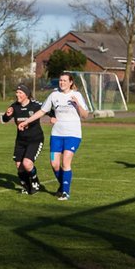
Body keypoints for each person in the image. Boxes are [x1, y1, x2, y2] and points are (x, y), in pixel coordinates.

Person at [17, 72, 91, 201]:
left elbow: (85, 115)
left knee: (65, 162)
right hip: (56, 134)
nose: (62, 83)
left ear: (71, 82)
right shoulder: (54, 95)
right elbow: (42, 111)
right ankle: (63, 186)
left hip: (73, 134)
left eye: (65, 80)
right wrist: (27, 121)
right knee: (54, 164)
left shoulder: (76, 95)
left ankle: (65, 193)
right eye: (60, 80)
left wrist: (77, 104)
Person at [2, 83, 44, 194]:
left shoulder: (35, 105)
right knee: (19, 166)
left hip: (35, 139)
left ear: (26, 94)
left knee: (27, 164)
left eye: (20, 93)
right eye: (16, 92)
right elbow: (5, 119)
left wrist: (54, 117)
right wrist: (7, 114)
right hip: (21, 141)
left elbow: (48, 110)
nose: (17, 94)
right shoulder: (15, 106)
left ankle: (35, 182)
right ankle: (26, 186)